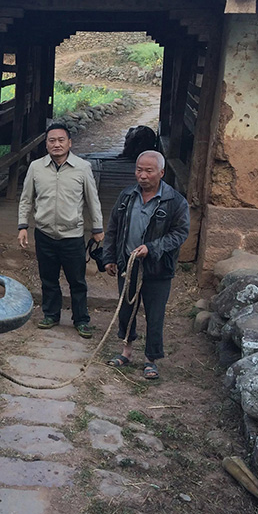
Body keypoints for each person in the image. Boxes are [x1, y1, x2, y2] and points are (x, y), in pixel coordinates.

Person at [103, 150, 190, 380]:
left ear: (161, 173)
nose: (142, 175)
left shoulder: (175, 202)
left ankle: (151, 359)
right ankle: (127, 351)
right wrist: (109, 257)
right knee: (126, 310)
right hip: (128, 265)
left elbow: (180, 233)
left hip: (158, 269)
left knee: (155, 314)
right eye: (139, 170)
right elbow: (113, 228)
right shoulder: (127, 196)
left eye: (148, 171)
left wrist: (152, 248)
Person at [17, 122, 104, 337]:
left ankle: (81, 319)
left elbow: (93, 200)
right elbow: (26, 200)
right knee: (48, 278)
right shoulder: (36, 167)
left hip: (72, 234)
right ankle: (51, 315)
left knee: (77, 280)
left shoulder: (82, 168)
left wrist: (97, 227)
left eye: (61, 140)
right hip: (45, 232)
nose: (56, 144)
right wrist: (23, 226)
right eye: (52, 140)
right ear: (46, 144)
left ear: (69, 143)